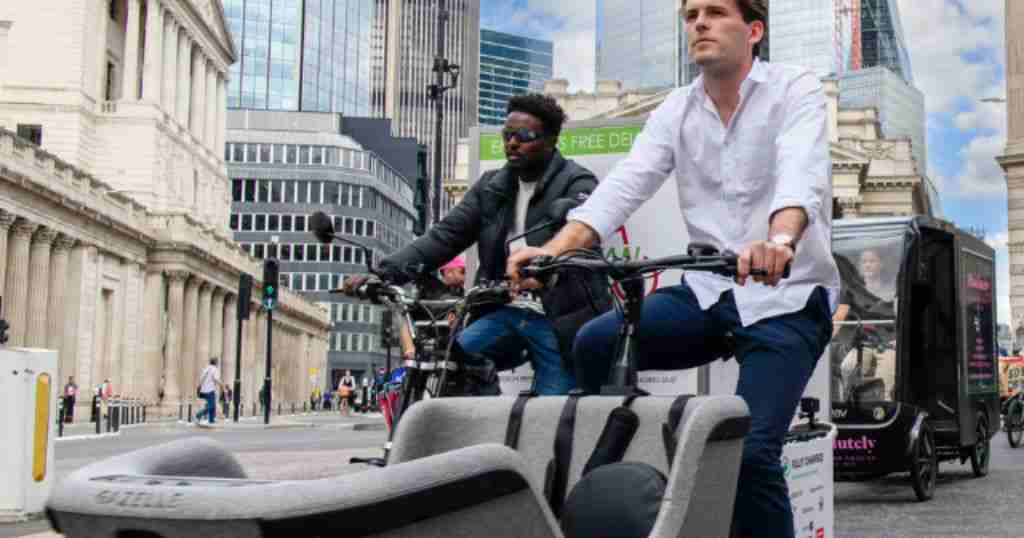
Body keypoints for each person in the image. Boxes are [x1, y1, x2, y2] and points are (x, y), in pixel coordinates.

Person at [507, 1, 838, 536]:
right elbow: (625, 185)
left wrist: (780, 239)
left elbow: (801, 170)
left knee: (749, 455)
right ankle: (628, 458)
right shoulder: (676, 110)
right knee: (596, 343)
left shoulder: (793, 88)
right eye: (690, 15)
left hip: (789, 297)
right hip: (708, 292)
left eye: (715, 12)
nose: (699, 23)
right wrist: (556, 249)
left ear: (753, 30)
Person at [344, 93, 611, 395]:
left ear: (550, 140)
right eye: (507, 135)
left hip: (558, 317)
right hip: (504, 310)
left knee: (550, 414)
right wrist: (384, 274)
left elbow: (583, 237)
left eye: (524, 136)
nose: (512, 143)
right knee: (449, 364)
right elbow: (444, 236)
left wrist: (548, 265)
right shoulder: (491, 187)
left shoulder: (577, 182)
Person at [836, 248, 898, 400]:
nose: (868, 265)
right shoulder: (853, 289)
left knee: (884, 379)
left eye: (872, 261)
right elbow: (839, 316)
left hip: (889, 343)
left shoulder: (892, 287)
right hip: (864, 343)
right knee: (846, 367)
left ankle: (884, 406)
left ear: (880, 264)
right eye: (864, 262)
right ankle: (847, 402)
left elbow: (899, 314)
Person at [195, 357, 226, 424]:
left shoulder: (206, 368)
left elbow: (201, 379)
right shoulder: (214, 369)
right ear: (216, 362)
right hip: (209, 390)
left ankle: (211, 420)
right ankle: (199, 414)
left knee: (213, 405)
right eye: (217, 362)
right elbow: (216, 379)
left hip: (203, 390)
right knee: (211, 405)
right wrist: (222, 385)